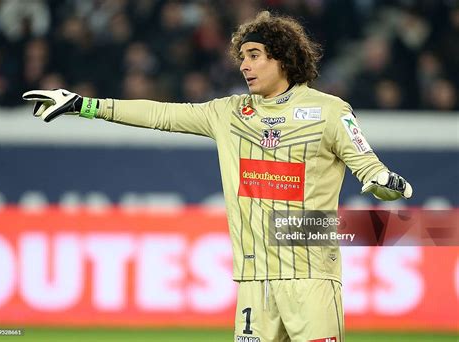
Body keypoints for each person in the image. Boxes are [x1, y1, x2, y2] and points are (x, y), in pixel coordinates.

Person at [22, 11, 412, 342]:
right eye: (242, 56)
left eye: (255, 55)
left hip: (309, 274)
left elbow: (368, 164)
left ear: (283, 59)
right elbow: (162, 115)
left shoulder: (329, 111)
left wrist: (385, 183)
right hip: (252, 277)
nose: (244, 65)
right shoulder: (228, 112)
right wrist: (84, 105)